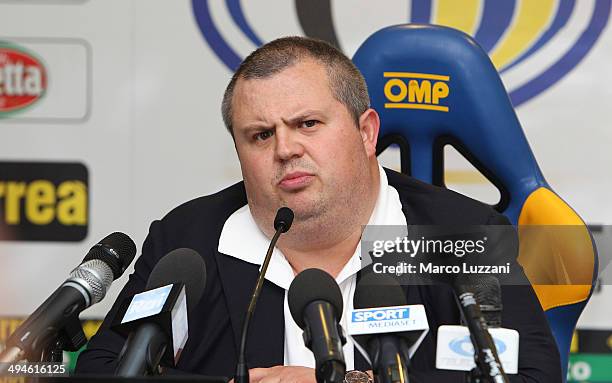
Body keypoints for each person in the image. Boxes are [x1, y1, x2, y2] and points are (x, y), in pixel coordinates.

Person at [75, 36, 561, 381]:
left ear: (367, 133)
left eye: (307, 124)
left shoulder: (460, 237)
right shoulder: (190, 239)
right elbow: (105, 371)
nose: (285, 149)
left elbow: (528, 376)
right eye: (261, 135)